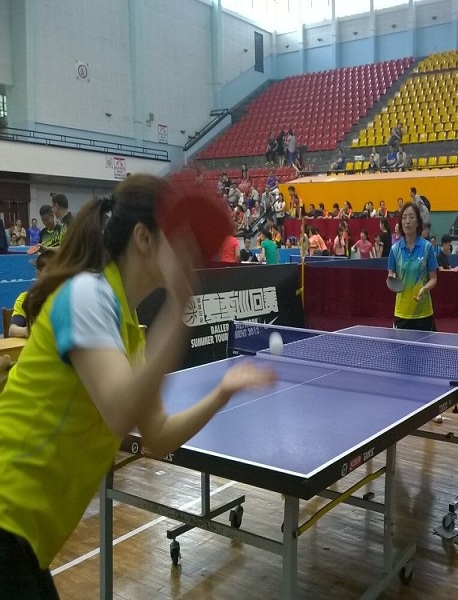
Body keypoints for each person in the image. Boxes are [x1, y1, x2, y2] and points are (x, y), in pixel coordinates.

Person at [0, 175, 275, 597]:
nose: (188, 251)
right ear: (143, 237)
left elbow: (157, 437)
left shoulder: (126, 329)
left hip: (25, 542)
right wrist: (179, 307)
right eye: (177, 237)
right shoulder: (87, 295)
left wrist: (223, 392)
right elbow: (120, 411)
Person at [387, 202, 438, 332]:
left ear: (418, 222)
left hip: (423, 312)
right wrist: (391, 278)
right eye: (404, 218)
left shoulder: (427, 247)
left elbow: (433, 279)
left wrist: (424, 289)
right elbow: (391, 274)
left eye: (411, 217)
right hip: (402, 312)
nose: (407, 221)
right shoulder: (395, 249)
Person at [9, 248, 56, 339]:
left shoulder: (65, 298)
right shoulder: (25, 298)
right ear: (38, 274)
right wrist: (30, 331)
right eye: (50, 273)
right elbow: (12, 329)